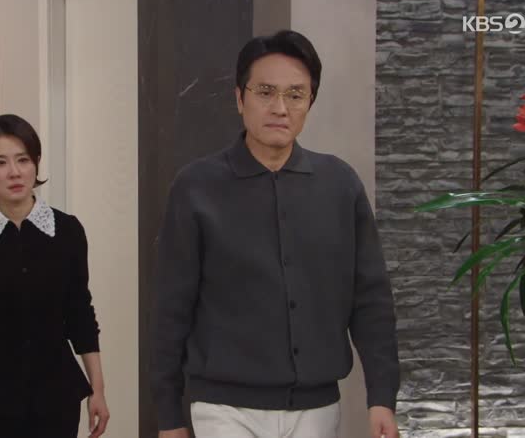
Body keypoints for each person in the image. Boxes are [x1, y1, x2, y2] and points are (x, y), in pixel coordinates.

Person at [149, 30, 400, 438]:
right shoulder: (196, 187)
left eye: (295, 95)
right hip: (223, 407)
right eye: (265, 92)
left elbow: (371, 300)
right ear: (239, 98)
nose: (280, 108)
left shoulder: (340, 185)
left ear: (310, 102)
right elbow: (170, 308)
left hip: (316, 408)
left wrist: (382, 396)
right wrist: (169, 416)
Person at [0, 114, 110, 438]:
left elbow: (80, 314)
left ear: (36, 163)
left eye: (23, 160)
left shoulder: (67, 231)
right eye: (0, 162)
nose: (14, 172)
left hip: (55, 396)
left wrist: (98, 389)